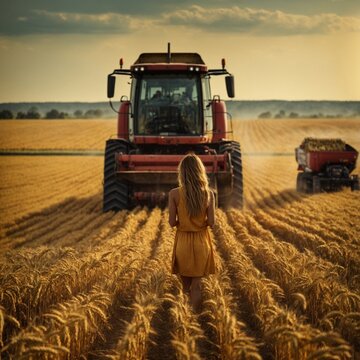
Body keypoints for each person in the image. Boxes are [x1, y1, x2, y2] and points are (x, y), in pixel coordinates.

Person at [169, 154, 216, 312]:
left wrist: (183, 222)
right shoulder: (208, 194)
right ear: (200, 171)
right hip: (201, 243)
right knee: (197, 287)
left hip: (183, 242)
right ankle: (195, 319)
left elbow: (171, 222)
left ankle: (184, 320)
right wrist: (199, 223)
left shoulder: (174, 194)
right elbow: (211, 222)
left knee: (184, 288)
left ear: (182, 172)